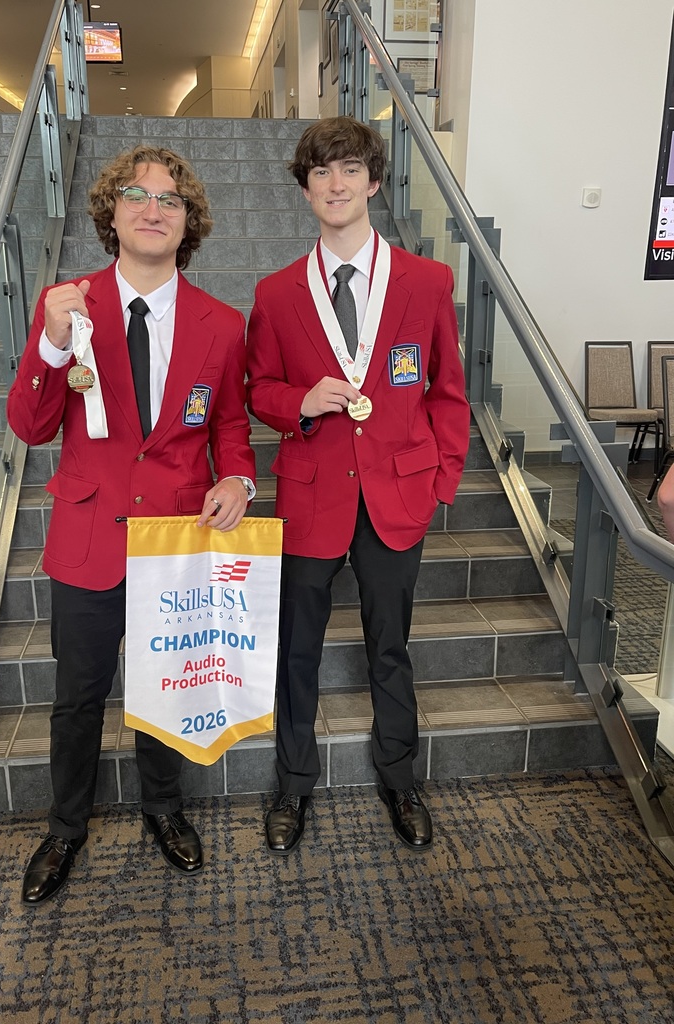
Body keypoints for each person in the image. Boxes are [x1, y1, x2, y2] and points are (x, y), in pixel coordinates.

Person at [8, 145, 256, 904]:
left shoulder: (220, 322)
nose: (154, 209)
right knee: (78, 697)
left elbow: (231, 425)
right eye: (137, 196)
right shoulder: (68, 306)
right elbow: (28, 425)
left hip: (175, 542)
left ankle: (164, 809)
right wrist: (51, 343)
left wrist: (239, 477)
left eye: (171, 200)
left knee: (166, 688)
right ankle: (65, 826)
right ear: (111, 213)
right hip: (88, 539)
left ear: (189, 223)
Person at [245, 116, 470, 856]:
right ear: (305, 188)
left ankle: (399, 778)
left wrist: (442, 479)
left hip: (397, 495)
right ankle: (293, 784)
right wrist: (297, 403)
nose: (335, 184)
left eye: (349, 170)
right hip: (312, 494)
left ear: (375, 181)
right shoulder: (277, 293)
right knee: (297, 648)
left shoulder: (427, 281)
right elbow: (259, 390)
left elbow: (447, 390)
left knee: (389, 646)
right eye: (320, 172)